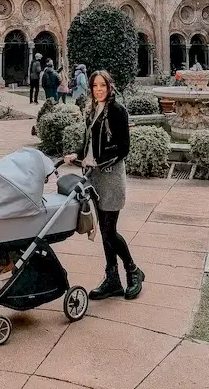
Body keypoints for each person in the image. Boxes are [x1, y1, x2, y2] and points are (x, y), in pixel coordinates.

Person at [64, 70, 144, 301]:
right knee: (105, 232)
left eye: (103, 85)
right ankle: (112, 279)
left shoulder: (117, 111)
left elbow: (123, 148)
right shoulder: (92, 111)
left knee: (109, 230)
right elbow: (88, 142)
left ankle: (133, 270)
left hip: (110, 177)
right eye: (95, 86)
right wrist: (77, 154)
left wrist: (99, 160)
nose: (98, 89)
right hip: (95, 177)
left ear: (110, 87)